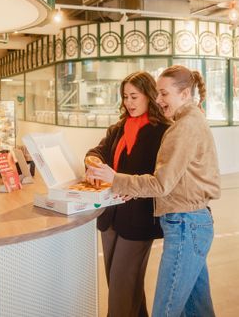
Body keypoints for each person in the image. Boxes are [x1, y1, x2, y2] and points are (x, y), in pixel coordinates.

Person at [87, 65, 221, 317]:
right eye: (125, 96)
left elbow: (160, 183)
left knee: (165, 309)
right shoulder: (186, 122)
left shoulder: (180, 128)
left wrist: (117, 180)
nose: (159, 100)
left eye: (163, 94)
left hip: (184, 221)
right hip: (186, 220)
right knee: (198, 307)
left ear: (184, 93)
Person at [85, 71, 170, 317]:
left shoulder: (163, 131)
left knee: (122, 287)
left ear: (149, 97)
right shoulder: (118, 128)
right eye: (125, 97)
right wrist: (93, 163)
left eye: (134, 96)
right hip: (110, 215)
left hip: (140, 219)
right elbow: (97, 151)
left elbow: (159, 177)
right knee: (121, 284)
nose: (129, 103)